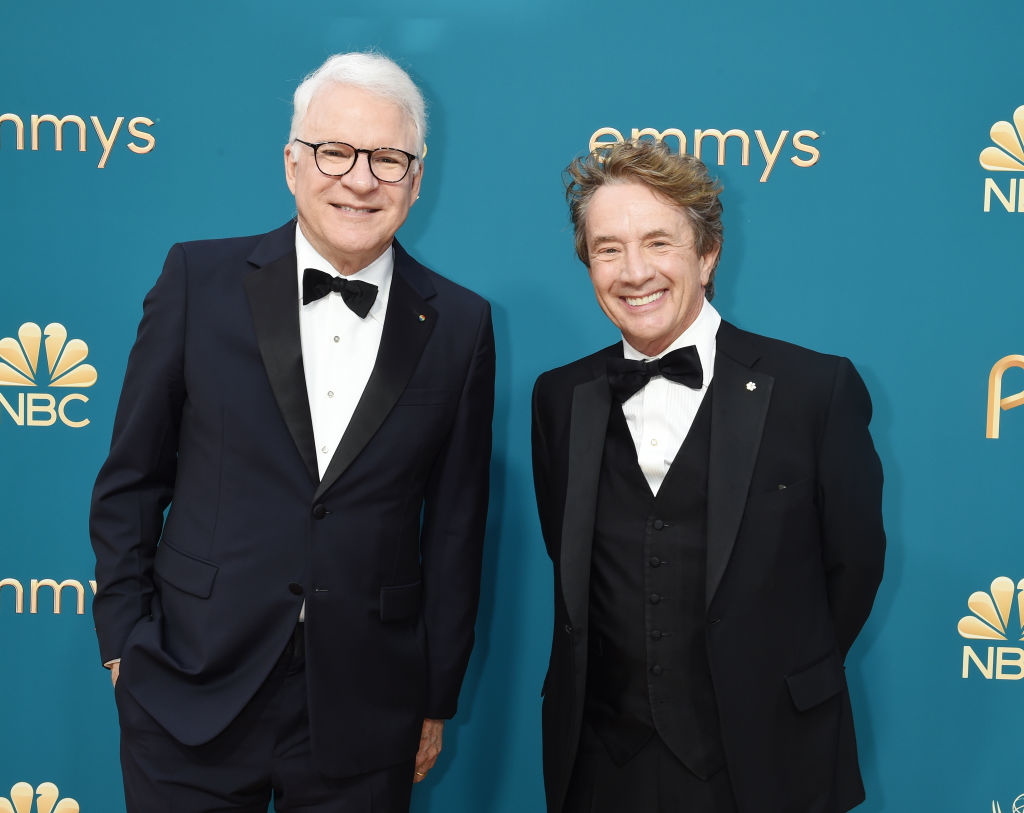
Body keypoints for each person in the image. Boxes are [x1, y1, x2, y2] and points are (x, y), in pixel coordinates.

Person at [90, 51, 494, 813]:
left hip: (367, 706)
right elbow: (131, 479)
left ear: (416, 178)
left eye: (387, 158)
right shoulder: (197, 281)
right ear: (292, 163)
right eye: (334, 151)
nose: (360, 179)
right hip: (188, 685)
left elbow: (454, 529)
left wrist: (434, 695)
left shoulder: (461, 323)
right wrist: (123, 645)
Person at [531, 139, 884, 813]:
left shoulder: (815, 389)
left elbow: (854, 566)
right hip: (604, 765)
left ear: (707, 253)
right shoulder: (559, 397)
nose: (635, 271)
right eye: (608, 249)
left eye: (658, 242)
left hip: (768, 757)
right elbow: (567, 555)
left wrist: (772, 675)